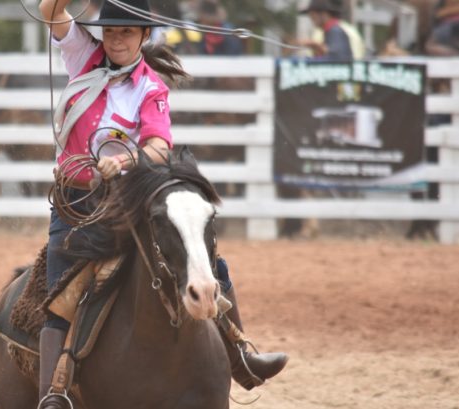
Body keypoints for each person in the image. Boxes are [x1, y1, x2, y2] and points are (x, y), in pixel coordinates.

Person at [36, 0, 287, 406]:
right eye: (111, 30)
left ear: (144, 36)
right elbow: (50, 10)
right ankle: (54, 391)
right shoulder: (83, 54)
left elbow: (158, 145)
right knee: (59, 289)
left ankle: (240, 351)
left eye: (127, 32)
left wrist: (122, 161)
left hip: (126, 198)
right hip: (76, 200)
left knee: (202, 255)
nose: (116, 39)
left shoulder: (151, 87)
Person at [297, 0, 365, 60]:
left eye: (313, 15)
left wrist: (316, 46)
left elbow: (337, 57)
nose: (311, 18)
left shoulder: (335, 31)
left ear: (324, 14)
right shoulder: (343, 28)